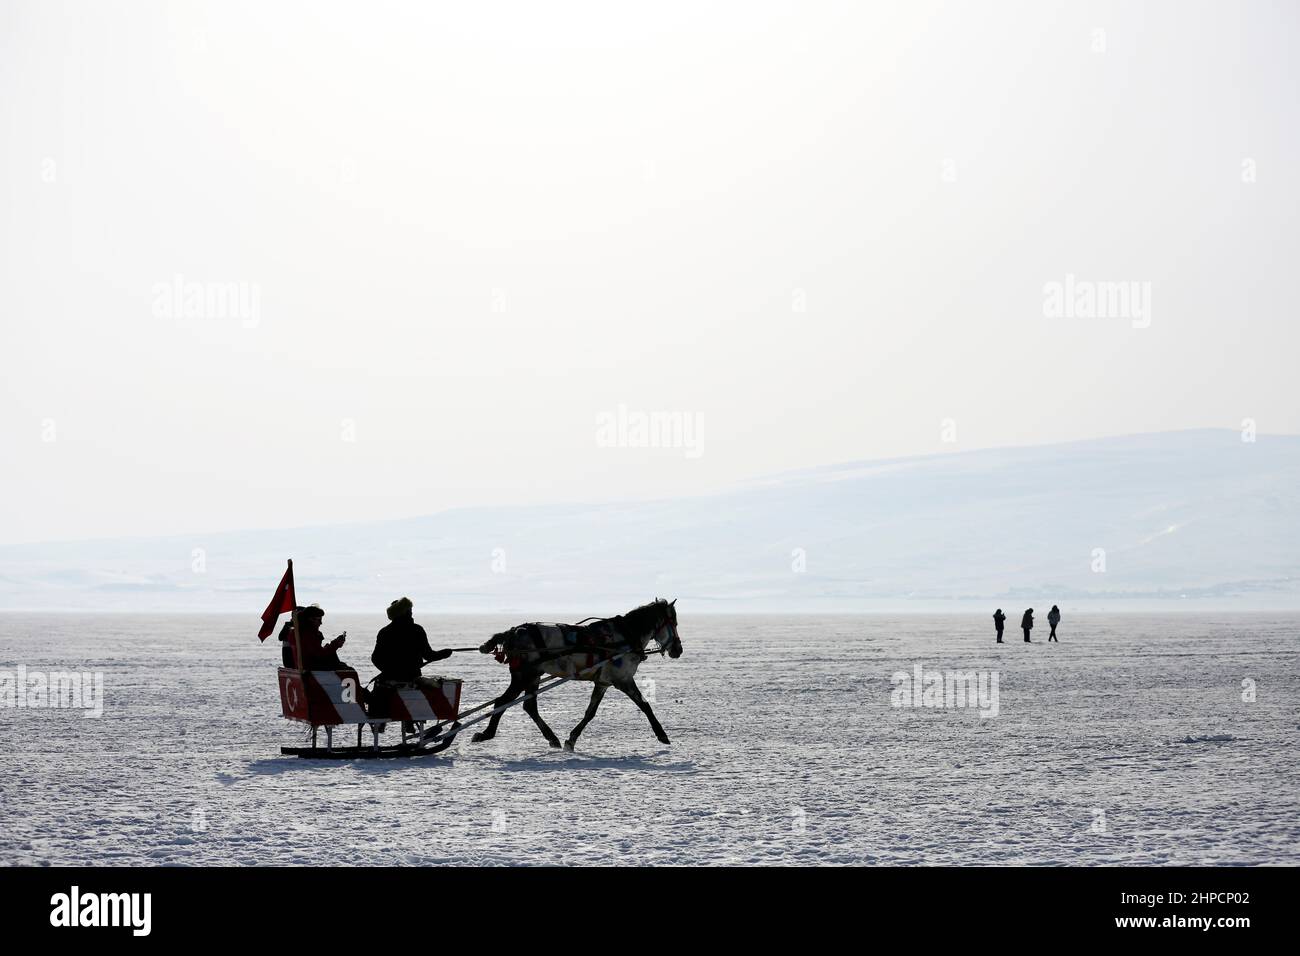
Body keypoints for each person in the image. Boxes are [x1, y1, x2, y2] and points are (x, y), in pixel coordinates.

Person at [371, 597, 453, 733]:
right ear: (404, 612)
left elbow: (375, 658)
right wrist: (444, 654)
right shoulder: (416, 630)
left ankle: (381, 721)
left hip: (388, 679)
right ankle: (410, 720)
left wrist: (388, 671)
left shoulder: (384, 632)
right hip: (412, 677)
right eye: (409, 610)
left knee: (380, 690)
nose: (412, 613)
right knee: (420, 687)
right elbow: (429, 655)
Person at [297, 605, 349, 670]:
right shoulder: (307, 635)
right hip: (312, 668)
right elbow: (320, 655)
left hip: (311, 664)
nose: (321, 623)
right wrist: (336, 644)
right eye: (319, 620)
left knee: (342, 665)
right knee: (347, 669)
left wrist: (335, 643)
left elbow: (317, 652)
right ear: (310, 619)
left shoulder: (303, 632)